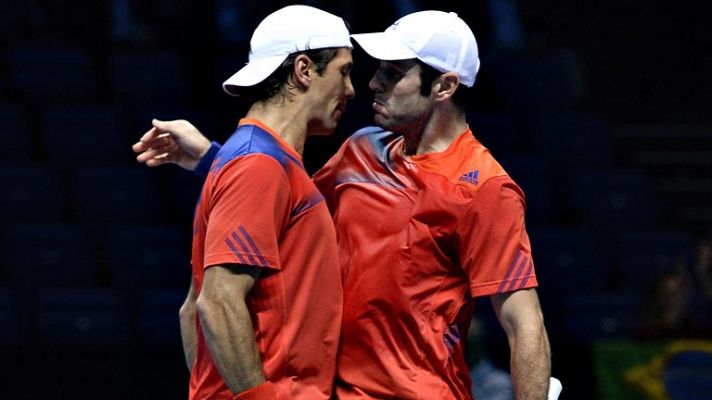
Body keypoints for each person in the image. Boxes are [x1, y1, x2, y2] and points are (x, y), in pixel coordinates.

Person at [134, 10, 552, 399]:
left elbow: (524, 322)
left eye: (393, 73)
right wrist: (213, 158)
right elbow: (279, 206)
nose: (371, 84)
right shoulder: (362, 148)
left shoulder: (485, 188)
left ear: (444, 86)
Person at [133, 5, 355, 399]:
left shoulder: (252, 162)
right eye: (343, 71)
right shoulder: (258, 166)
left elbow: (190, 313)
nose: (351, 90)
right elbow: (216, 303)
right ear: (304, 70)